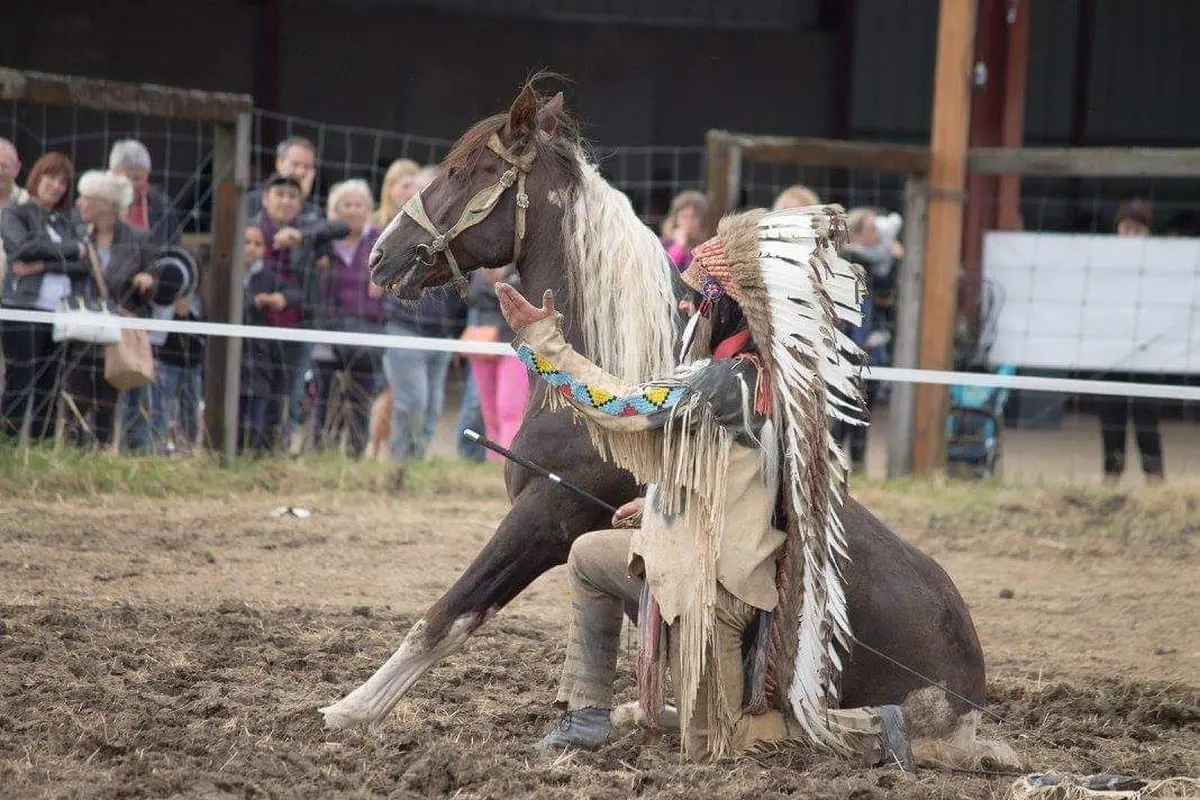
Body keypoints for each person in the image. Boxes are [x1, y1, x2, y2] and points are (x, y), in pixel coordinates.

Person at [499, 206, 911, 767]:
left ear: (726, 308)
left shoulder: (723, 380)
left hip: (712, 591)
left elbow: (618, 407)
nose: (690, 310)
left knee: (716, 745)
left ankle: (874, 730)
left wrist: (542, 341)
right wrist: (660, 502)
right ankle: (587, 713)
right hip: (693, 561)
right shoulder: (758, 378)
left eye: (701, 300)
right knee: (589, 555)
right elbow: (729, 469)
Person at [242, 173, 348, 455]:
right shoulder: (249, 230)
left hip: (298, 326)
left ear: (301, 203)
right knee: (254, 394)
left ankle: (278, 451)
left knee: (290, 395)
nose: (286, 201)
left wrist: (302, 236)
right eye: (280, 195)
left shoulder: (307, 230)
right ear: (265, 199)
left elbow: (342, 226)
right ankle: (247, 451)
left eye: (293, 197)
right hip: (256, 329)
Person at [62, 170, 156, 450]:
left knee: (107, 398)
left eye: (85, 198)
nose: (79, 203)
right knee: (74, 396)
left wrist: (147, 281)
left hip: (115, 333)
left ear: (105, 204)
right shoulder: (74, 233)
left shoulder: (138, 238)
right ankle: (71, 453)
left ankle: (102, 453)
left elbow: (153, 280)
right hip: (78, 328)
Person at [0, 152, 88, 442]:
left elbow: (83, 266)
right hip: (21, 308)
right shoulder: (15, 213)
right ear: (37, 175)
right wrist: (71, 250)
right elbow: (21, 248)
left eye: (63, 181)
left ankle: (41, 445)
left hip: (59, 314)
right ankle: (9, 443)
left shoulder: (66, 222)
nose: (56, 185)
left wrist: (44, 265)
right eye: (51, 177)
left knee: (50, 384)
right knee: (21, 380)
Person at [312, 179, 384, 457]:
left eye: (359, 205)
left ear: (369, 208)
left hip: (366, 332)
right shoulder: (323, 243)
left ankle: (354, 456)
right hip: (327, 332)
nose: (353, 211)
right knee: (324, 398)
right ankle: (322, 452)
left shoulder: (379, 241)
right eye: (346, 205)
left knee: (360, 401)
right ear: (334, 210)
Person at [1098, 199, 1164, 485]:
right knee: (1111, 415)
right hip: (1110, 348)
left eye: (1137, 230)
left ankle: (1154, 474)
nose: (1130, 235)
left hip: (1147, 350)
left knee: (1146, 415)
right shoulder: (1103, 263)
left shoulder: (1162, 266)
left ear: (1148, 233)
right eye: (1126, 228)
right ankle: (1112, 472)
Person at [463, 264, 528, 459]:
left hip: (514, 345)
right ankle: (493, 467)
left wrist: (500, 281)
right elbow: (473, 297)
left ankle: (508, 464)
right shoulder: (478, 269)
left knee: (508, 411)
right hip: (485, 343)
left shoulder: (519, 266)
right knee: (489, 413)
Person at [150, 248, 205, 454]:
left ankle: (189, 449)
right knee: (160, 409)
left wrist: (186, 316)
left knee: (190, 410)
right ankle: (158, 448)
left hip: (192, 363)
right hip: (166, 360)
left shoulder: (201, 299)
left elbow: (202, 332)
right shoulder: (161, 295)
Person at [108, 139, 180, 247]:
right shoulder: (101, 202)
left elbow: (172, 245)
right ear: (113, 174)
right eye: (127, 177)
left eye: (137, 178)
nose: (131, 185)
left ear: (147, 175)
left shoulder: (162, 205)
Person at [246, 136, 320, 220]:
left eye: (307, 167)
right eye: (295, 164)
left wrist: (300, 198)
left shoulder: (314, 212)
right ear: (279, 163)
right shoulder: (253, 201)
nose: (301, 172)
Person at [660, 190, 708, 272]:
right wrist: (679, 246)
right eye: (685, 217)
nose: (689, 222)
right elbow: (666, 270)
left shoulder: (706, 246)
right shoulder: (664, 244)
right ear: (675, 219)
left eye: (695, 217)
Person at [372, 158, 421, 229]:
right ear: (390, 187)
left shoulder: (421, 226)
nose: (412, 192)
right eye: (406, 186)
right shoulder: (373, 225)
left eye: (418, 187)